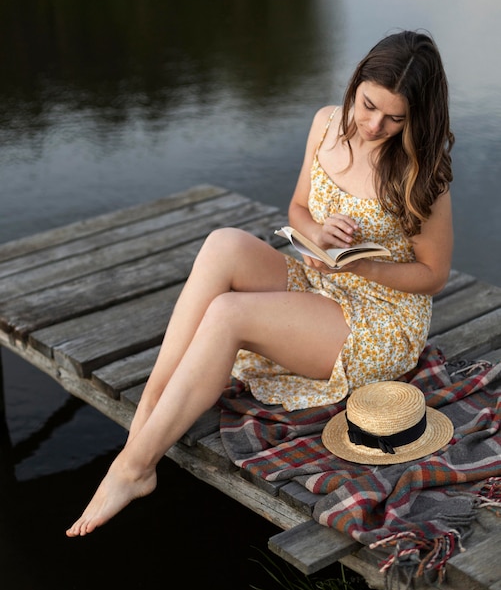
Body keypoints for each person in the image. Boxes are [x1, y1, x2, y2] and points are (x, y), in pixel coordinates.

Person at [66, 30, 454, 537]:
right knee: (223, 242)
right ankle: (147, 418)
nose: (374, 125)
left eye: (394, 118)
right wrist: (316, 232)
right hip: (322, 278)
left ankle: (134, 468)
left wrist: (365, 268)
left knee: (228, 313)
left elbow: (434, 275)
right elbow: (296, 208)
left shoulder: (423, 172)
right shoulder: (325, 125)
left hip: (379, 318)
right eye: (367, 106)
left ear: (417, 117)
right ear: (355, 84)